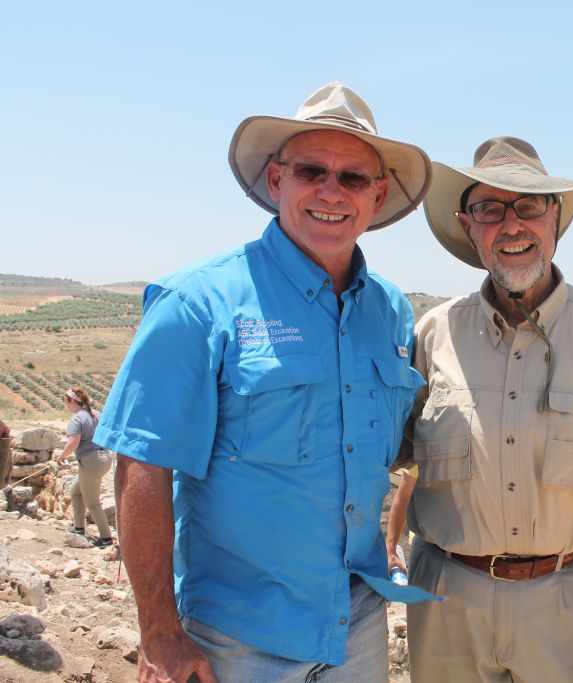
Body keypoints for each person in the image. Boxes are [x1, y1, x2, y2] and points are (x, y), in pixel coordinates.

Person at [94, 82, 437, 683]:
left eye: (354, 178)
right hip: (236, 638)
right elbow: (142, 464)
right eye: (312, 171)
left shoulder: (390, 311)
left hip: (356, 625)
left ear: (377, 196)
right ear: (277, 181)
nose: (332, 191)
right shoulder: (198, 303)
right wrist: (159, 634)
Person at [404, 136, 573, 683]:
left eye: (529, 206)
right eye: (489, 209)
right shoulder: (432, 335)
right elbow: (397, 462)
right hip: (446, 602)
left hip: (566, 608)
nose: (512, 225)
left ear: (555, 220)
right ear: (468, 225)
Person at [54, 387, 113, 546]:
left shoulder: (76, 419)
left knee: (93, 503)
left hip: (90, 461)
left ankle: (106, 538)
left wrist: (62, 456)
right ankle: (79, 527)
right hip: (104, 458)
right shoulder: (96, 414)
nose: (66, 405)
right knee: (75, 491)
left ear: (72, 401)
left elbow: (73, 442)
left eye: (66, 401)